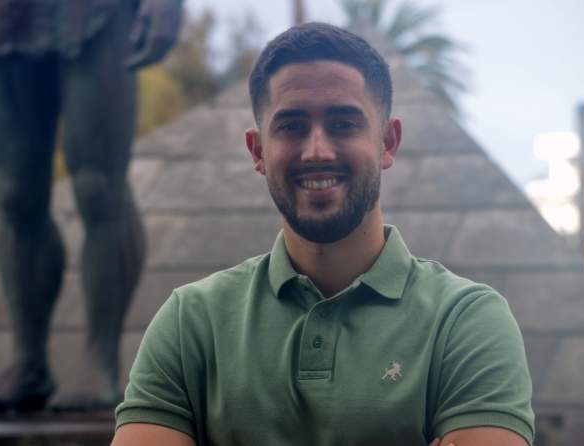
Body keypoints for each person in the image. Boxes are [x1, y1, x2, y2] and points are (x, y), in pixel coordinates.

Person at [112, 22, 534, 445]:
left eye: (343, 124)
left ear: (388, 142)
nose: (317, 150)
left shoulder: (465, 321)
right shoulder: (191, 321)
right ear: (258, 151)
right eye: (291, 127)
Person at [0, 0, 182, 411]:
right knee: (16, 194)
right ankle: (28, 360)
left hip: (96, 11)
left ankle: (100, 357)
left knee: (98, 187)